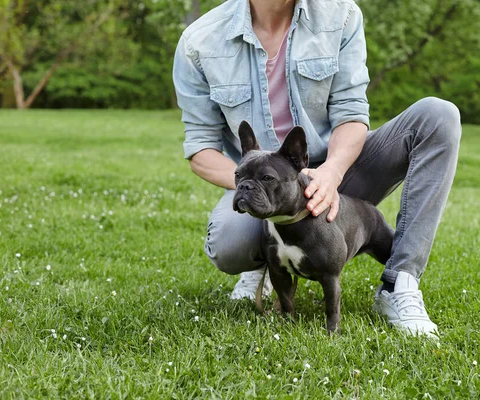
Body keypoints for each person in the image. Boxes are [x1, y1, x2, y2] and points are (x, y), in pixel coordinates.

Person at [172, 0, 461, 336]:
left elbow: (352, 114)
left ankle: (400, 282)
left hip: (339, 173)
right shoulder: (199, 40)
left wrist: (331, 173)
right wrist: (254, 187)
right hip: (266, 187)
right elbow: (201, 148)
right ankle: (268, 259)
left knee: (438, 115)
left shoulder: (342, 14)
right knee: (228, 244)